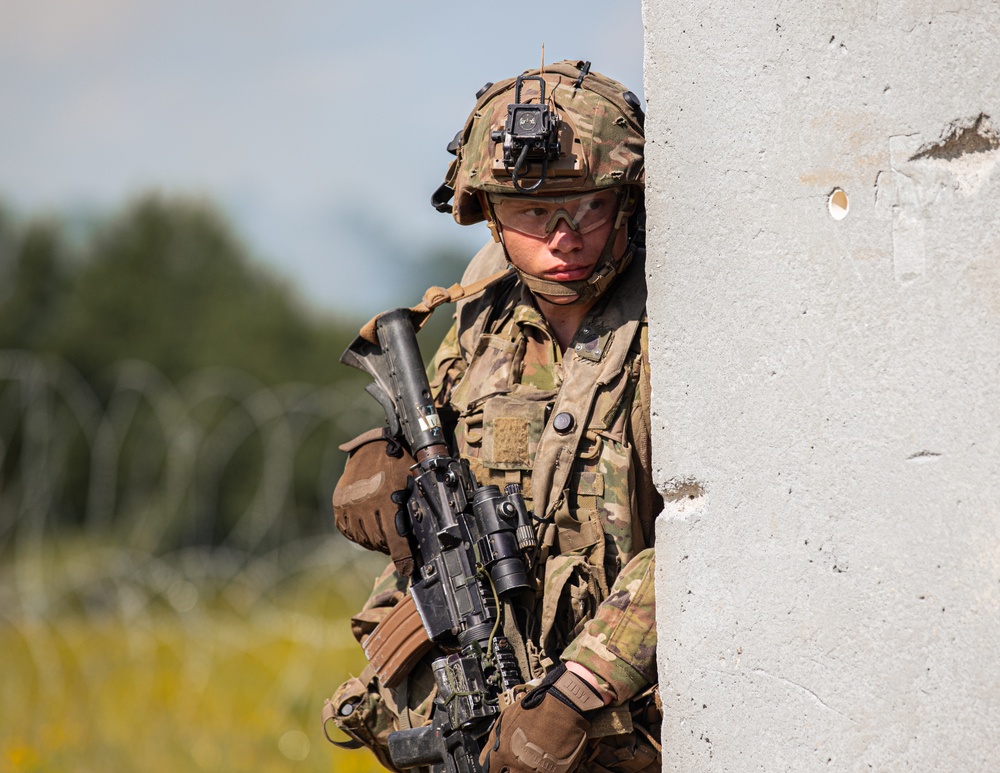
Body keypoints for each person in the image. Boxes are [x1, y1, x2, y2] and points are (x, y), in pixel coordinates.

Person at [325, 59, 661, 773]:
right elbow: (434, 462)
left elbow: (717, 537)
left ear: (627, 201)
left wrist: (581, 688)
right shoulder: (482, 315)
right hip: (485, 710)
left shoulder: (677, 325)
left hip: (621, 727)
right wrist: (381, 471)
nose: (563, 238)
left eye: (588, 207)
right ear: (490, 212)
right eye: (534, 213)